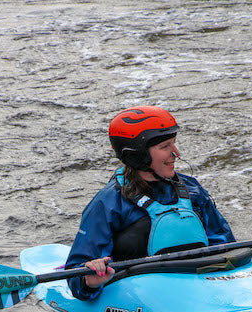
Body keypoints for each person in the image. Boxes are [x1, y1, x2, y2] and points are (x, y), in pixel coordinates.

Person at [65, 105, 235, 300]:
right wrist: (89, 279)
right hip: (141, 296)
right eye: (165, 147)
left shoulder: (192, 189)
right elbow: (75, 274)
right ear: (137, 155)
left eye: (174, 143)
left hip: (196, 287)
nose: (177, 153)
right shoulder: (108, 203)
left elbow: (226, 245)